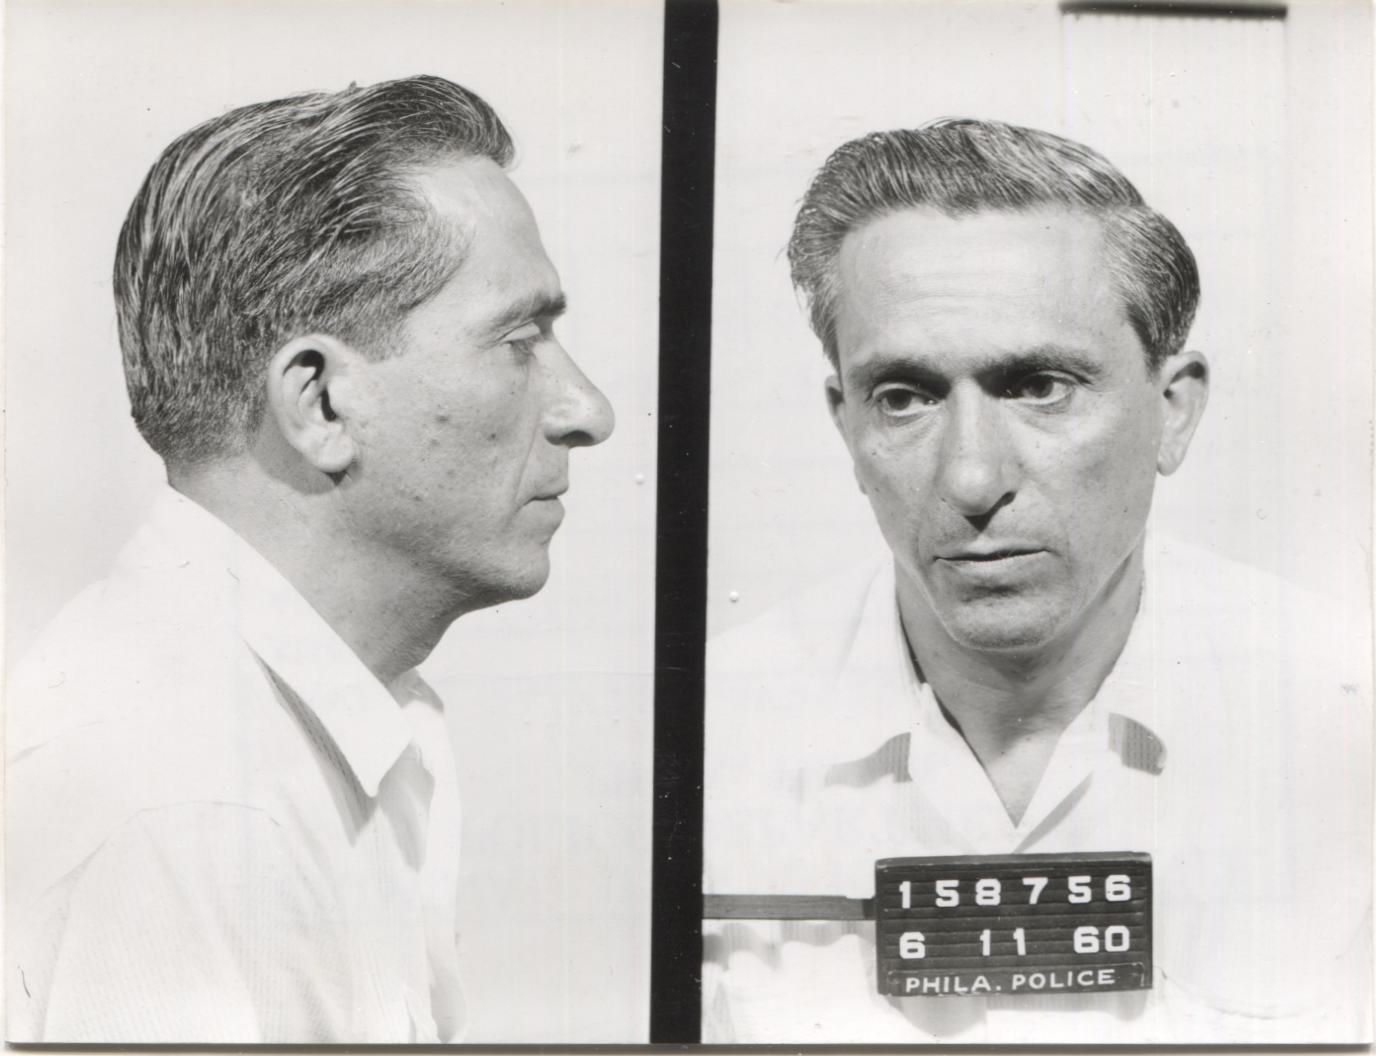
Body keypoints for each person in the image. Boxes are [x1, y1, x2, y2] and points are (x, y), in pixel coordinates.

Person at [702, 120, 1370, 1043]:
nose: (973, 478)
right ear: (846, 426)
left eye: (1040, 386)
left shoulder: (1346, 708)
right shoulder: (706, 740)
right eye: (904, 397)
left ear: (1173, 411)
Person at [7, 74, 613, 1043]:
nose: (588, 411)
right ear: (321, 402)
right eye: (519, 339)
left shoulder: (321, 730)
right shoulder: (187, 805)